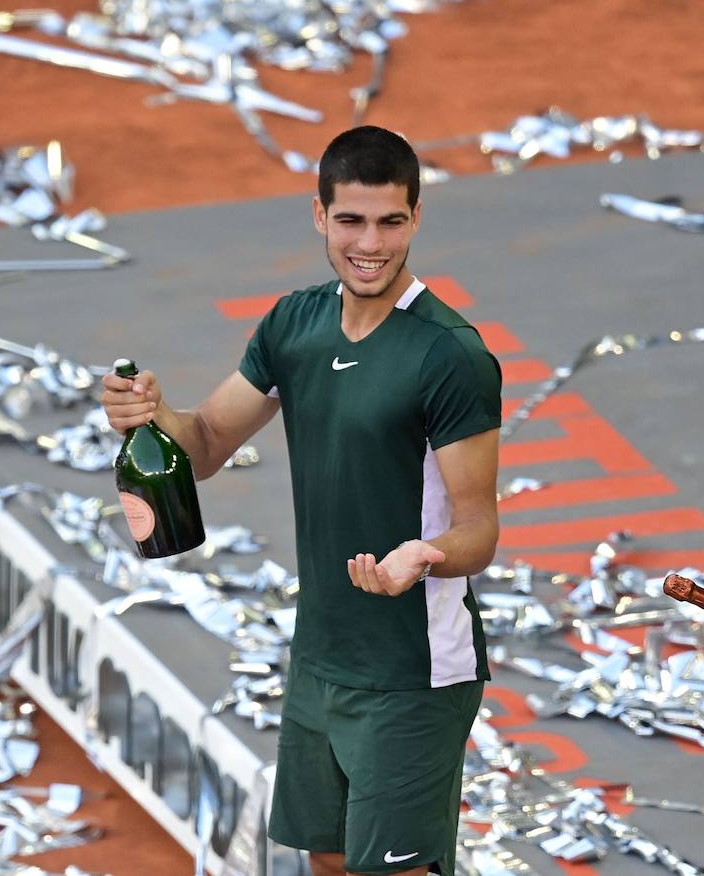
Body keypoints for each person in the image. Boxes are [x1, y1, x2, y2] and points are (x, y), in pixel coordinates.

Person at [101, 126, 501, 876]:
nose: (371, 244)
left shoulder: (450, 356)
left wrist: (427, 554)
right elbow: (209, 441)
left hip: (413, 669)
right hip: (321, 656)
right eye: (351, 220)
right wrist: (147, 414)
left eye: (391, 221)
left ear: (416, 219)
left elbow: (479, 525)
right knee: (328, 862)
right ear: (319, 216)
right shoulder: (295, 323)